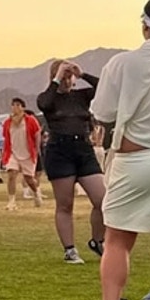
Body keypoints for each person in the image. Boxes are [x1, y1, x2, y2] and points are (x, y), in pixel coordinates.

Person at [87, 0, 150, 300]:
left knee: (117, 239)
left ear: (145, 25)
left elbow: (102, 111)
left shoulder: (123, 63)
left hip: (137, 158)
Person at [36, 60, 106, 264]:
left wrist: (82, 74)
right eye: (64, 76)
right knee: (65, 204)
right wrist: (57, 79)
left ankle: (97, 240)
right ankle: (70, 249)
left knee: (102, 200)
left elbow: (105, 86)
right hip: (60, 151)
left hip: (84, 150)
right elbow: (44, 104)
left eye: (70, 76)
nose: (68, 80)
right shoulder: (49, 97)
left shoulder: (81, 96)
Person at [1, 99, 42, 211]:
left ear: (23, 107)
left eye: (18, 105)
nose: (15, 107)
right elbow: (6, 137)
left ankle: (36, 192)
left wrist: (37, 148)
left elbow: (37, 133)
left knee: (29, 179)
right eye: (13, 105)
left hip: (28, 153)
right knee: (11, 175)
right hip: (13, 153)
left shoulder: (30, 120)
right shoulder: (7, 122)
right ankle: (11, 201)